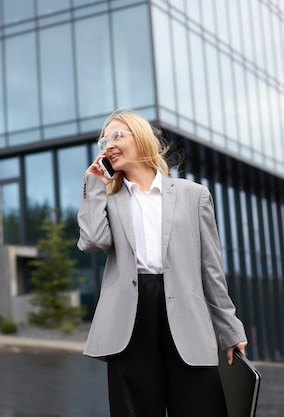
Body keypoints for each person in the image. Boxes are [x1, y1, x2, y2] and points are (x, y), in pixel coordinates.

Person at [77, 108, 247, 417]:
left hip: (186, 314)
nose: (108, 145)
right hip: (129, 320)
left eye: (117, 135)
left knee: (200, 407)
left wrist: (230, 328)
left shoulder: (193, 195)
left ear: (140, 139)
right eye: (104, 140)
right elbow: (92, 241)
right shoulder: (109, 201)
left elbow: (211, 270)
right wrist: (94, 186)